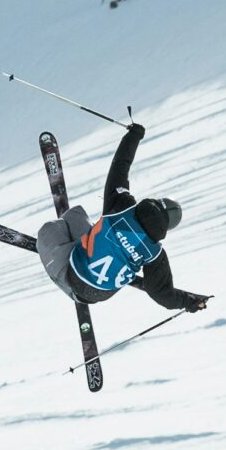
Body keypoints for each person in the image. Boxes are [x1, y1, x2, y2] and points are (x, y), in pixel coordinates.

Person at [35, 122, 210, 312]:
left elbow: (120, 166)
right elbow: (160, 293)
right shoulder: (155, 254)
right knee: (76, 214)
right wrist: (187, 302)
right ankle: (77, 244)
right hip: (100, 293)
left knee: (49, 229)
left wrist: (133, 136)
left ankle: (60, 252)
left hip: (72, 278)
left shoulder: (121, 207)